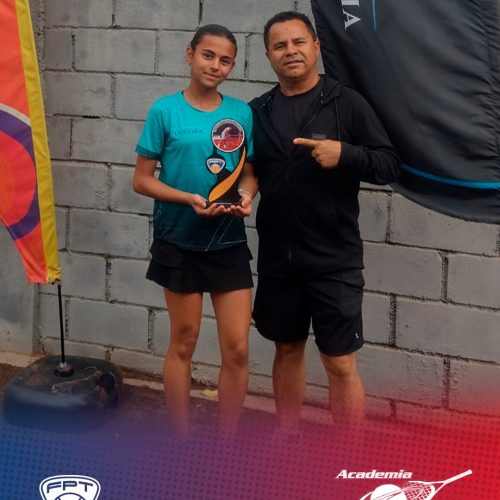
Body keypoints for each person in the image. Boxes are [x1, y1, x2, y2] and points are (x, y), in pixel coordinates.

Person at [249, 12, 400, 439]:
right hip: (278, 258)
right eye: (280, 45)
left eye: (299, 42)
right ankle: (287, 436)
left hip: (334, 259)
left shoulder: (345, 102)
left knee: (339, 361)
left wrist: (345, 154)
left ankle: (348, 454)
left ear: (316, 47)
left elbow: (389, 163)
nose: (290, 51)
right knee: (286, 349)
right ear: (268, 56)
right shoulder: (257, 111)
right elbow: (249, 170)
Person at [133, 24, 256, 441]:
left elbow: (249, 172)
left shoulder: (241, 113)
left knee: (237, 347)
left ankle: (227, 443)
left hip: (228, 241)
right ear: (190, 54)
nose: (215, 65)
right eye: (208, 55)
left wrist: (246, 196)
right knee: (183, 342)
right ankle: (181, 440)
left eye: (225, 60)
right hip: (178, 239)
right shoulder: (164, 111)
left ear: (232, 66)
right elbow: (142, 180)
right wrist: (188, 199)